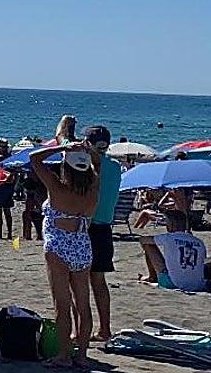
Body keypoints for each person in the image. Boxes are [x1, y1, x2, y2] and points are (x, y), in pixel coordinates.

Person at [29, 142, 99, 369]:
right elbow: (97, 165)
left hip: (59, 246)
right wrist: (87, 153)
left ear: (65, 168)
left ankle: (63, 355)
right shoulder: (93, 188)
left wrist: (64, 147)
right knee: (83, 303)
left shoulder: (57, 189)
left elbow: (34, 158)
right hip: (82, 245)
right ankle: (82, 354)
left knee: (62, 304)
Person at [83, 125, 121, 342]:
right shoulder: (116, 167)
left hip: (87, 227)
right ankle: (104, 328)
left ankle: (81, 331)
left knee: (78, 283)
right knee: (99, 282)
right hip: (105, 228)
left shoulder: (86, 167)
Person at [139, 229, 207, 291]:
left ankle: (152, 277)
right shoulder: (199, 242)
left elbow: (143, 240)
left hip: (173, 284)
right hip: (198, 286)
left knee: (148, 244)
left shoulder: (169, 237)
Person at [0, 171, 16, 240]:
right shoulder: (10, 169)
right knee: (7, 213)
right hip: (7, 190)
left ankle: (0, 234)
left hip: (0, 192)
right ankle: (9, 233)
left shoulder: (0, 170)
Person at [22, 171, 46, 240]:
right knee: (28, 214)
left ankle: (28, 235)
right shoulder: (42, 187)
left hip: (40, 212)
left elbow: (31, 207)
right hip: (41, 211)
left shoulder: (37, 191)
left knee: (27, 214)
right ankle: (29, 235)